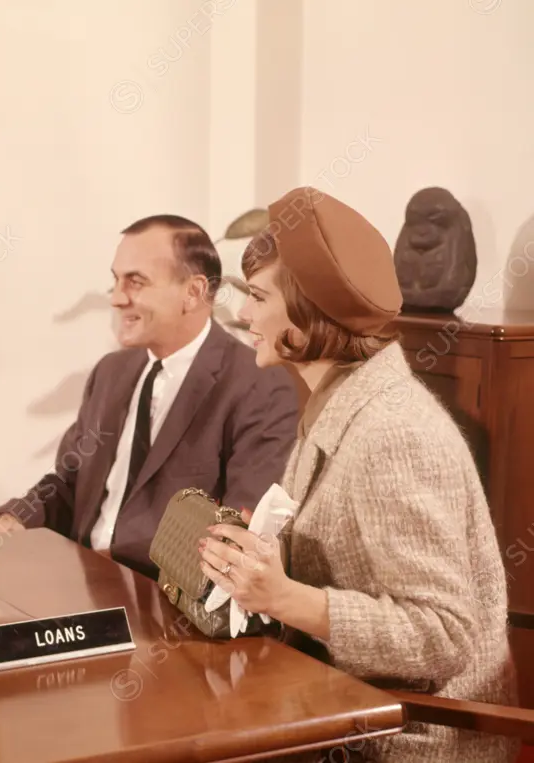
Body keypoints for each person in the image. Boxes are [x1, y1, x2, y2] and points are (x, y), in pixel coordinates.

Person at [198, 187, 518, 762]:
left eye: (257, 296)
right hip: (342, 707)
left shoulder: (393, 433)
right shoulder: (340, 403)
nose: (242, 313)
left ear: (310, 309)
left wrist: (286, 597)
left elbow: (443, 635)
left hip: (411, 740)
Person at [0, 214, 301, 580]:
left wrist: (103, 563)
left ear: (192, 293)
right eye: (115, 280)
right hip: (80, 586)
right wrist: (14, 519)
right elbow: (69, 482)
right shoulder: (111, 372)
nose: (116, 299)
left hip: (164, 610)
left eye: (136, 282)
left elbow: (241, 532)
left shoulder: (259, 386)